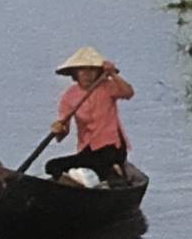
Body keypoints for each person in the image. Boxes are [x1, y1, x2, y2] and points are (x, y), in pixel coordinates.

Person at [46, 47, 134, 184]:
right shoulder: (68, 96)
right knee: (51, 166)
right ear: (75, 73)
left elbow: (128, 93)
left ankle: (113, 171)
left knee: (103, 160)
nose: (87, 74)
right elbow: (63, 132)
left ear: (99, 72)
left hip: (111, 148)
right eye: (82, 70)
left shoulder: (107, 86)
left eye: (91, 70)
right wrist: (58, 129)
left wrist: (112, 74)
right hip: (88, 151)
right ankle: (85, 180)